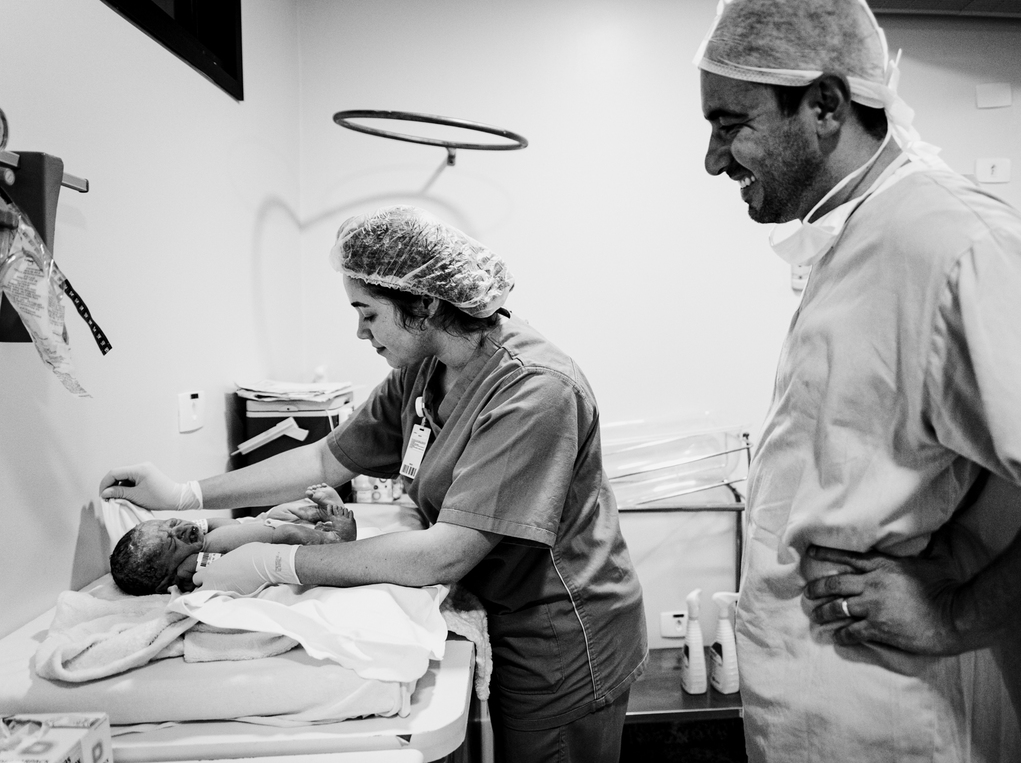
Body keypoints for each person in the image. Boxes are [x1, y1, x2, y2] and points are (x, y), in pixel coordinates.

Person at [695, 0, 1021, 761]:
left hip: (916, 726)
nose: (714, 159)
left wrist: (955, 616)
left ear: (825, 105)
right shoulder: (858, 242)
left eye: (731, 123)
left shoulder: (947, 239)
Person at [100, 205, 647, 763]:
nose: (359, 331)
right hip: (500, 608)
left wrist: (276, 563)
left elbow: (443, 554)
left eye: (367, 312)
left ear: (427, 305)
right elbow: (324, 461)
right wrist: (185, 494)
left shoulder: (534, 392)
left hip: (560, 629)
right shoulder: (425, 368)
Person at [110, 484, 357, 596]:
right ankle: (334, 540)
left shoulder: (199, 534)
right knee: (293, 534)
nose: (182, 530)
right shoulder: (188, 568)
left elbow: (219, 524)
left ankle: (314, 514)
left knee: (281, 512)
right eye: (173, 543)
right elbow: (223, 564)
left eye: (173, 523)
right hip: (274, 542)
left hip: (259, 524)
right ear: (165, 579)